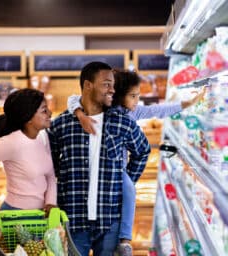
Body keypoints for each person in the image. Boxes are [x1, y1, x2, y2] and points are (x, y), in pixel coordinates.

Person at [67, 69, 206, 255]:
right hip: (92, 169)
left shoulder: (132, 113)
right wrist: (79, 114)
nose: (136, 102)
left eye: (138, 96)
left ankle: (124, 238)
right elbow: (73, 99)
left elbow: (157, 110)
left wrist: (185, 104)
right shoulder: (101, 107)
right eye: (133, 96)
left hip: (117, 170)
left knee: (129, 189)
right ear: (117, 94)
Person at [47, 62, 150, 256]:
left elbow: (143, 151)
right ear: (88, 85)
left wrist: (125, 180)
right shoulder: (61, 125)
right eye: (106, 84)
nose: (112, 89)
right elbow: (50, 166)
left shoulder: (122, 122)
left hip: (110, 219)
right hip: (74, 219)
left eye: (113, 85)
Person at [0, 88, 56, 219]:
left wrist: (51, 203)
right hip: (16, 217)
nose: (50, 113)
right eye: (44, 110)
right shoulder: (12, 143)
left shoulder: (42, 137)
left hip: (41, 216)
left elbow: (50, 175)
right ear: (28, 117)